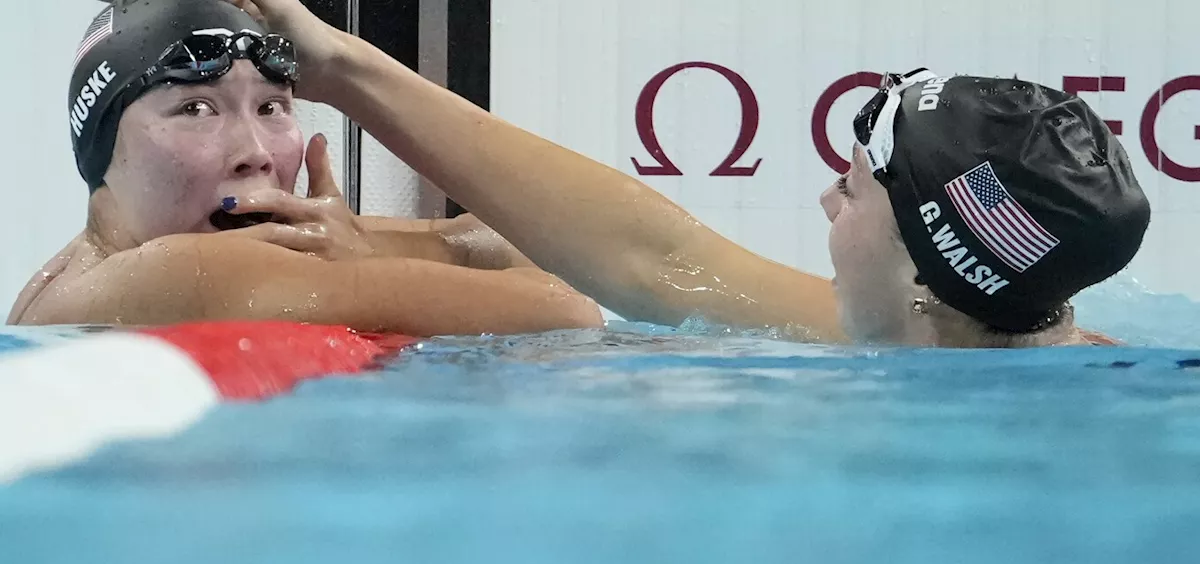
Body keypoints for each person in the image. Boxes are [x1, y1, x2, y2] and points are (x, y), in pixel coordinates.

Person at [224, 0, 1151, 348]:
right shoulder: (960, 329)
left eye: (856, 187)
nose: (827, 198)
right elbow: (655, 258)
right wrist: (343, 66)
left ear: (924, 274)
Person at [8, 0, 603, 337]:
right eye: (195, 107)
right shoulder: (177, 272)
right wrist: (365, 262)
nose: (256, 152)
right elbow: (569, 308)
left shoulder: (64, 281)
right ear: (101, 150)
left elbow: (495, 243)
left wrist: (354, 245)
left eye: (272, 107)